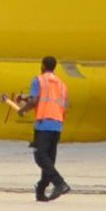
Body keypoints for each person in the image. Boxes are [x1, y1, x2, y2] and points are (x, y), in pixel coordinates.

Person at [8, 56, 70, 201]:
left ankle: (60, 183)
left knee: (41, 157)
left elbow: (36, 100)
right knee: (49, 160)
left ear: (42, 66)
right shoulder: (61, 84)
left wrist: (23, 110)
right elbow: (51, 99)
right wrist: (24, 98)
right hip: (57, 124)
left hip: (43, 123)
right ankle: (41, 190)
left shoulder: (39, 80)